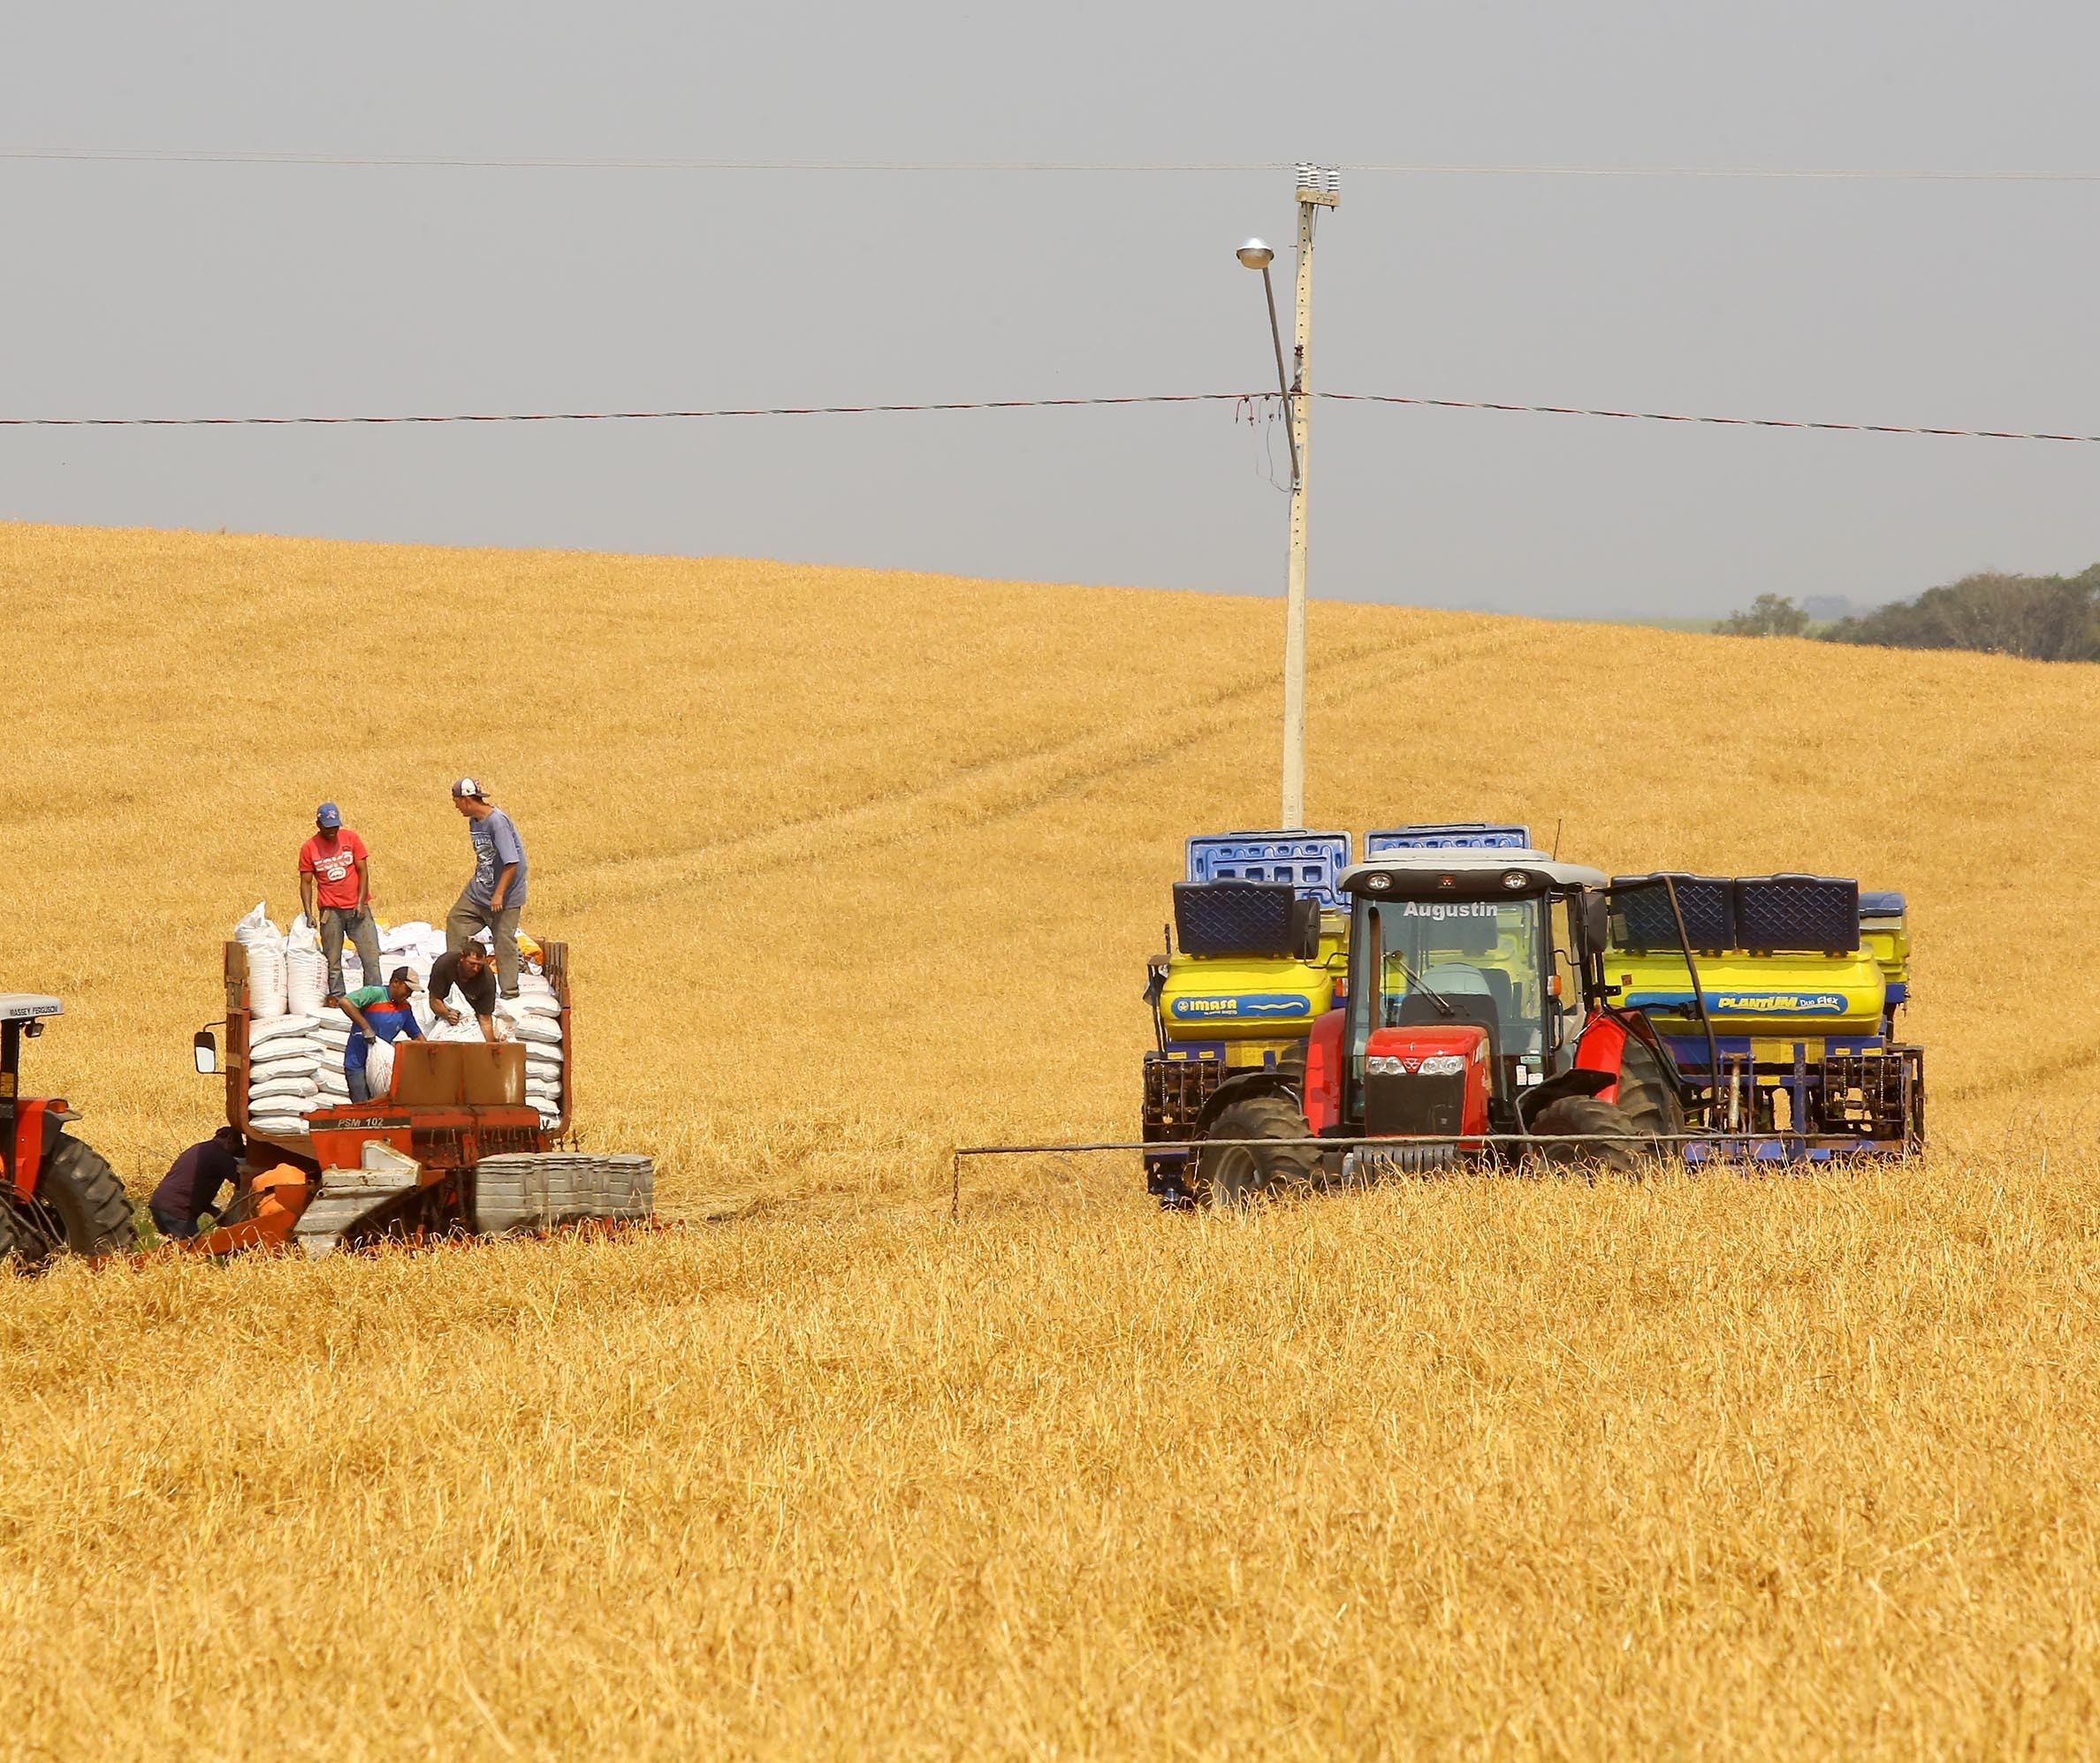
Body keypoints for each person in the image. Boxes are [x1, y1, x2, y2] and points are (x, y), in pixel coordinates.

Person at [445, 778, 529, 999]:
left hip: (505, 895)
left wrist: (499, 894)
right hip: (479, 890)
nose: (455, 806)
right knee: (456, 921)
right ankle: (459, 982)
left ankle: (510, 992)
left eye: (456, 801)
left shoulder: (497, 822)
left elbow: (512, 862)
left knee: (503, 940)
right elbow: (486, 858)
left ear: (466, 799)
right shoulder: (474, 821)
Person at [300, 802, 383, 999]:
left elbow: (363, 871)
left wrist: (361, 902)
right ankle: (338, 997)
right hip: (330, 912)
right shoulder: (309, 848)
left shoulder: (351, 839)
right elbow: (305, 883)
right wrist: (309, 913)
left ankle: (373, 997)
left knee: (370, 957)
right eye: (328, 828)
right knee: (333, 959)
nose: (332, 831)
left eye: (335, 826)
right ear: (319, 825)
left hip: (357, 909)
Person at [329, 967, 426, 1104]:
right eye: (407, 989)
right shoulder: (374, 993)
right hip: (358, 1062)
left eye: (411, 992)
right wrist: (366, 1028)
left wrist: (430, 1053)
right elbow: (345, 1002)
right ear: (395, 982)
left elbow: (416, 1035)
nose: (409, 995)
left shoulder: (405, 1009)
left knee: (381, 1106)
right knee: (362, 1106)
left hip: (380, 1066)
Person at [149, 1126, 244, 1242]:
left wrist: (214, 1211)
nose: (233, 1154)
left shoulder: (201, 1149)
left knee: (177, 1249)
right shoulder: (220, 1155)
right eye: (236, 1149)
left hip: (160, 1203)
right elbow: (243, 1182)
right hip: (177, 1209)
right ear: (230, 1139)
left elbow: (193, 1188)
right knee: (196, 1251)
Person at [428, 942, 499, 1042]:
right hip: (446, 1011)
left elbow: (485, 1018)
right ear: (462, 957)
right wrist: (446, 1014)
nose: (475, 969)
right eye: (472, 963)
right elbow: (434, 999)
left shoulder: (487, 979)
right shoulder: (444, 964)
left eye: (479, 965)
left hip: (471, 1017)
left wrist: (491, 1045)